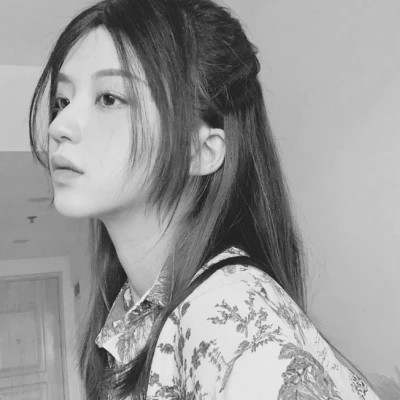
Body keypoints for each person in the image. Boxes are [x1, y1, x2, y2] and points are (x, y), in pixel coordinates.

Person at [29, 0, 380, 399]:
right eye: (62, 101)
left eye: (109, 98)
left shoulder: (229, 317)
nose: (59, 126)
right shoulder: (133, 313)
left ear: (199, 151)